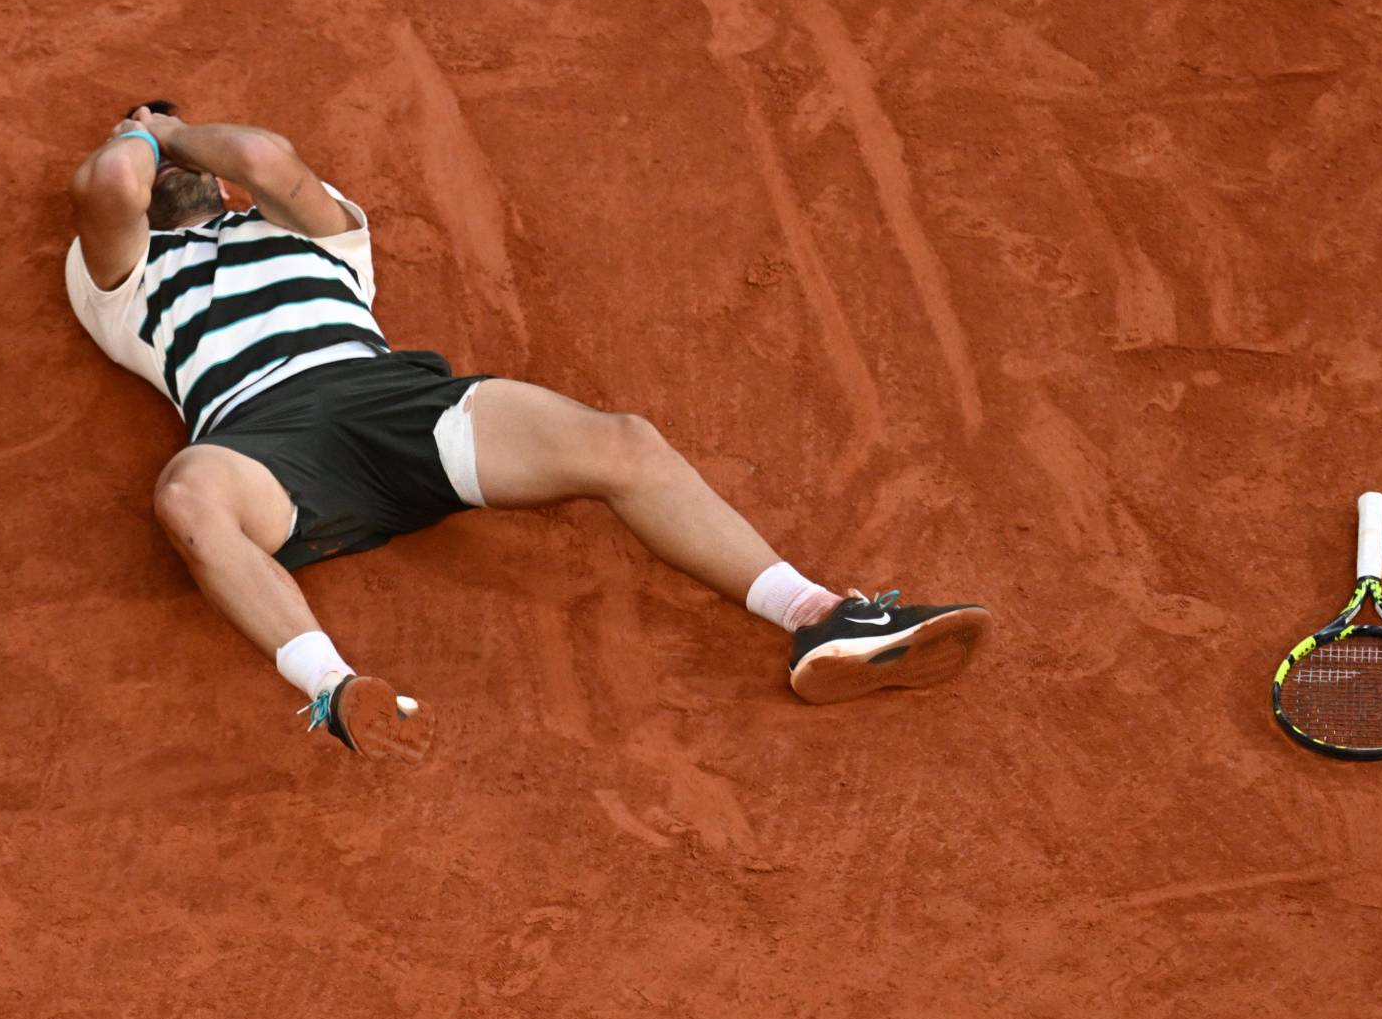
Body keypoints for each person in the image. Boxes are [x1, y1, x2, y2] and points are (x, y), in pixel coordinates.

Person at [64, 103, 990, 760]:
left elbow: (264, 159)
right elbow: (111, 182)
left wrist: (169, 131)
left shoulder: (320, 235)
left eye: (184, 158)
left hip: (391, 399)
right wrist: (142, 134)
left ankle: (820, 617)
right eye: (161, 166)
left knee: (622, 440)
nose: (170, 167)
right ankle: (335, 689)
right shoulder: (121, 285)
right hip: (261, 442)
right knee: (186, 493)